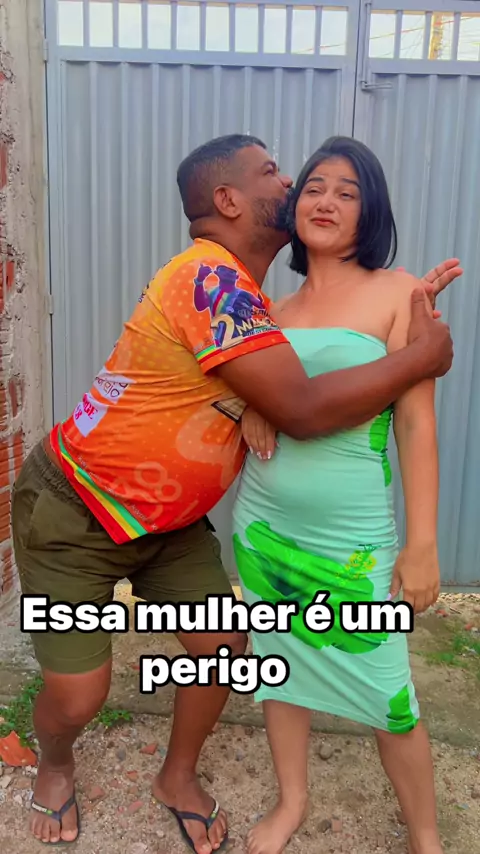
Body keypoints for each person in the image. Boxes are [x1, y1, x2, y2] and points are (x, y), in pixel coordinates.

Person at [11, 134, 460, 854]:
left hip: (188, 523)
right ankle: (56, 760)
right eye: (280, 174)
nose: (297, 187)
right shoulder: (219, 283)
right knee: (80, 695)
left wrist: (422, 539)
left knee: (237, 649)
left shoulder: (269, 301)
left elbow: (341, 404)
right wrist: (418, 358)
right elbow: (301, 405)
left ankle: (178, 777)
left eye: (345, 191)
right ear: (227, 200)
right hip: (83, 506)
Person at [234, 136, 451, 854]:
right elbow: (243, 396)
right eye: (315, 187)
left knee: (391, 695)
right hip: (265, 527)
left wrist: (422, 544)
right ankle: (292, 800)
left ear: (370, 211)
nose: (326, 201)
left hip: (354, 539)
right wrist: (251, 403)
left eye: (348, 192)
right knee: (280, 670)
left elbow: (415, 426)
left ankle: (425, 836)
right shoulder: (269, 309)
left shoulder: (399, 293)